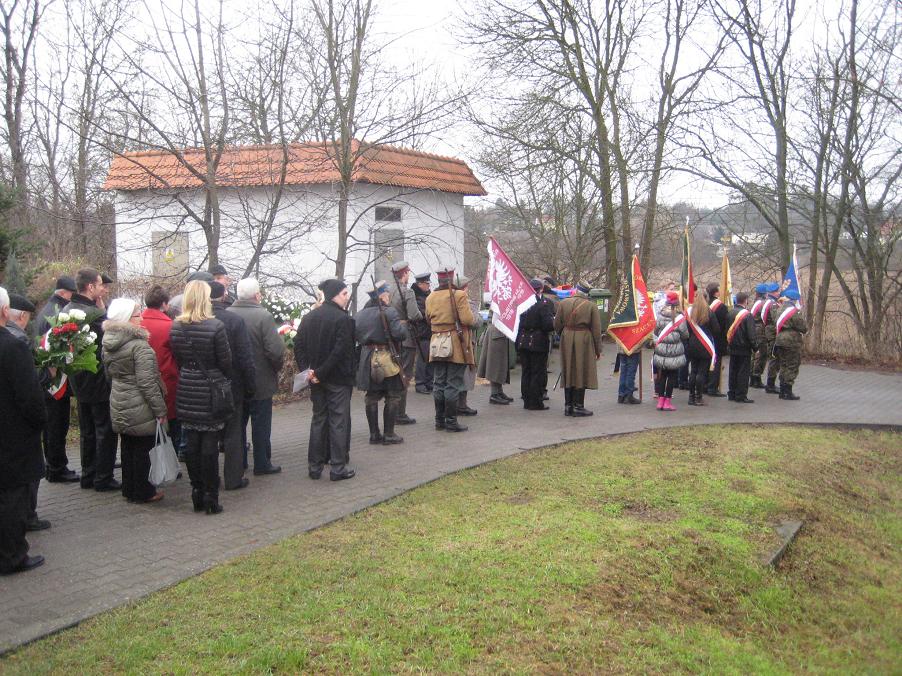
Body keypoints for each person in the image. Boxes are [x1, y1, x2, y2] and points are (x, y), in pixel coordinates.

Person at [169, 280, 233, 514]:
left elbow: (178, 358)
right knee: (209, 444)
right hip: (209, 388)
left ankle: (196, 491)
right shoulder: (215, 326)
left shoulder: (176, 327)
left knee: (192, 443)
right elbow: (226, 361)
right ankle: (210, 495)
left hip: (187, 385)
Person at [0, 286, 48, 575]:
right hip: (12, 435)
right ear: (5, 311)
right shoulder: (12, 345)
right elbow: (29, 396)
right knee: (13, 497)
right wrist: (39, 422)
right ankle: (12, 555)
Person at [102, 298, 168, 504]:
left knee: (128, 445)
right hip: (140, 403)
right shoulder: (139, 347)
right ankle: (144, 491)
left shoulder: (109, 342)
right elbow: (148, 382)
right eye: (137, 315)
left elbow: (108, 375)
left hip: (119, 398)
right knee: (143, 447)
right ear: (126, 319)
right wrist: (160, 409)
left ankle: (129, 488)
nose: (141, 318)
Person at [294, 279, 356, 481]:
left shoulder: (310, 317)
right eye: (345, 293)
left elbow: (299, 346)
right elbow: (340, 351)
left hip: (316, 379)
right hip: (336, 379)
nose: (347, 297)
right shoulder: (343, 320)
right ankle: (337, 468)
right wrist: (318, 373)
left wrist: (309, 372)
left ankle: (315, 467)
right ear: (335, 295)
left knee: (319, 419)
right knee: (338, 420)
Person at [64, 268, 119, 491]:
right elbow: (107, 340)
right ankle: (103, 477)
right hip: (96, 378)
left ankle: (88, 473)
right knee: (105, 429)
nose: (103, 289)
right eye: (100, 285)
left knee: (88, 430)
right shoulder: (91, 314)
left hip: (78, 378)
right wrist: (104, 314)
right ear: (90, 287)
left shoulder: (68, 309)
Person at [228, 278, 284, 476]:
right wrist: (276, 368)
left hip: (234, 381)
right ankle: (262, 463)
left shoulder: (226, 315)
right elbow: (275, 350)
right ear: (257, 295)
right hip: (260, 380)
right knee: (260, 425)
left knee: (238, 424)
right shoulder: (264, 316)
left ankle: (239, 461)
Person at [7, 294, 52, 532]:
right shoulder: (17, 341)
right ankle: (26, 518)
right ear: (21, 316)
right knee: (25, 476)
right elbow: (29, 384)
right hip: (19, 423)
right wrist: (50, 372)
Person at [211, 282, 256, 489]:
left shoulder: (188, 320)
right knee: (233, 433)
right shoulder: (233, 320)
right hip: (231, 384)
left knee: (207, 434)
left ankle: (208, 479)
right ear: (224, 295)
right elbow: (245, 357)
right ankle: (233, 478)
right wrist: (250, 385)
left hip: (200, 387)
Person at [35, 277, 80, 483]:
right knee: (56, 424)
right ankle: (56, 467)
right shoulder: (57, 312)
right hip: (54, 378)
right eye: (72, 294)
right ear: (64, 293)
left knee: (53, 424)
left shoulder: (48, 308)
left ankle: (54, 464)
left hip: (48, 377)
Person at [355, 280, 408, 445]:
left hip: (366, 358)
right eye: (387, 294)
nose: (388, 296)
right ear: (383, 295)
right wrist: (402, 326)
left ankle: (374, 434)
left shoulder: (359, 314)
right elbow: (400, 335)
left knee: (371, 396)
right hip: (386, 357)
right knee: (393, 395)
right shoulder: (389, 311)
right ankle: (389, 434)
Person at [425, 268, 477, 432]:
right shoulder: (459, 295)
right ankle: (451, 422)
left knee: (439, 383)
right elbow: (467, 319)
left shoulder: (431, 296)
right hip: (455, 344)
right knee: (452, 384)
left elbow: (428, 318)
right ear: (451, 279)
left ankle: (439, 421)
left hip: (436, 343)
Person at [141, 286, 181, 457]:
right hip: (167, 381)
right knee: (172, 425)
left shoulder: (136, 323)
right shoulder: (170, 326)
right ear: (164, 304)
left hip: (142, 383)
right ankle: (170, 460)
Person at [553, 283, 602, 416]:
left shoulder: (563, 303)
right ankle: (578, 406)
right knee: (581, 371)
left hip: (567, 337)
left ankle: (568, 406)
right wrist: (598, 350)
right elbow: (596, 330)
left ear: (576, 291)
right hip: (584, 339)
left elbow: (557, 324)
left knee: (568, 370)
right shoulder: (591, 305)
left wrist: (563, 335)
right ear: (587, 293)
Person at [388, 261, 421, 425]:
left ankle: (392, 411)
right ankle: (400, 413)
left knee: (394, 373)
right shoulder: (407, 292)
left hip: (390, 336)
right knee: (405, 375)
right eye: (408, 272)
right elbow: (414, 315)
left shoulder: (388, 291)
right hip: (406, 336)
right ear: (405, 273)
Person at [515, 279, 555, 410]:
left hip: (522, 341)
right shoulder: (543, 304)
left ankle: (526, 399)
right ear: (541, 289)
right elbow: (548, 325)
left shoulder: (522, 304)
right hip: (537, 342)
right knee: (537, 372)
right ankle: (535, 402)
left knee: (526, 372)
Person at [652, 291, 687, 411]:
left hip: (661, 350)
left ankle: (660, 401)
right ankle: (667, 402)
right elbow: (685, 334)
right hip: (674, 351)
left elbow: (656, 331)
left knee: (662, 376)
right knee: (672, 377)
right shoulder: (680, 317)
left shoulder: (661, 314)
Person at [686, 292, 721, 406]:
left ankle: (691, 397)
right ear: (706, 299)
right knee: (701, 372)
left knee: (693, 371)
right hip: (705, 346)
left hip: (692, 344)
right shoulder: (709, 312)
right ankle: (698, 397)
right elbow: (716, 330)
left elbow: (687, 329)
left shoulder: (690, 312)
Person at [773, 289, 807, 400]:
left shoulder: (780, 308)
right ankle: (788, 391)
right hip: (791, 341)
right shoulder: (794, 311)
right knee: (792, 365)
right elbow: (802, 327)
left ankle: (782, 391)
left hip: (780, 339)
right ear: (794, 299)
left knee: (783, 364)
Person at [456, 275, 482, 417]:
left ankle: (457, 405)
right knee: (465, 373)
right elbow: (474, 322)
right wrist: (477, 314)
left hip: (452, 341)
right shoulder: (466, 303)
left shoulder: (449, 300)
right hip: (464, 341)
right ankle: (461, 405)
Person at [725, 291, 758, 403]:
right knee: (743, 372)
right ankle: (741, 395)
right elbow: (751, 334)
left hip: (732, 346)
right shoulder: (747, 315)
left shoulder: (730, 313)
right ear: (745, 301)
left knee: (733, 370)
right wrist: (755, 347)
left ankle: (732, 393)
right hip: (744, 348)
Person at [479, 309, 515, 406]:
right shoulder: (499, 298)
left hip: (500, 332)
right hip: (497, 332)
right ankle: (494, 394)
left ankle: (498, 391)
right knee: (495, 365)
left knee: (500, 365)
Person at [411, 271, 434, 394]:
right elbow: (423, 314)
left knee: (430, 359)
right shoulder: (416, 297)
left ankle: (429, 383)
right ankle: (420, 384)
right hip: (422, 332)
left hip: (429, 331)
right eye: (426, 283)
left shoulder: (426, 295)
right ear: (420, 284)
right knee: (423, 359)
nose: (428, 286)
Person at [705, 282, 729, 398]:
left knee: (706, 363)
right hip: (717, 339)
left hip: (705, 338)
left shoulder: (705, 304)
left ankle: (705, 385)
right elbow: (725, 324)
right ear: (716, 292)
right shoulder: (721, 307)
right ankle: (712, 387)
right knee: (716, 363)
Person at [760, 283, 782, 394]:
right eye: (778, 291)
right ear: (773, 292)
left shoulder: (769, 302)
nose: (779, 293)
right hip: (772, 333)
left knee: (774, 357)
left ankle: (771, 383)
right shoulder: (773, 304)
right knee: (774, 357)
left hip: (769, 331)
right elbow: (776, 319)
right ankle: (770, 384)